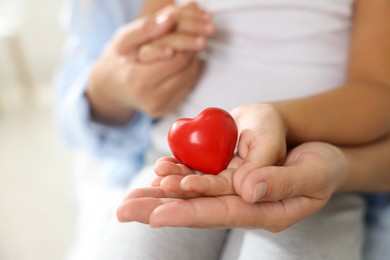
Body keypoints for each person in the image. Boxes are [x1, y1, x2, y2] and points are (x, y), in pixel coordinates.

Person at [55, 0, 390, 259]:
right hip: (174, 167)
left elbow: (378, 93)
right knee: (138, 248)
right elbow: (140, 52)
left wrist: (280, 119)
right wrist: (163, 41)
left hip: (309, 173)